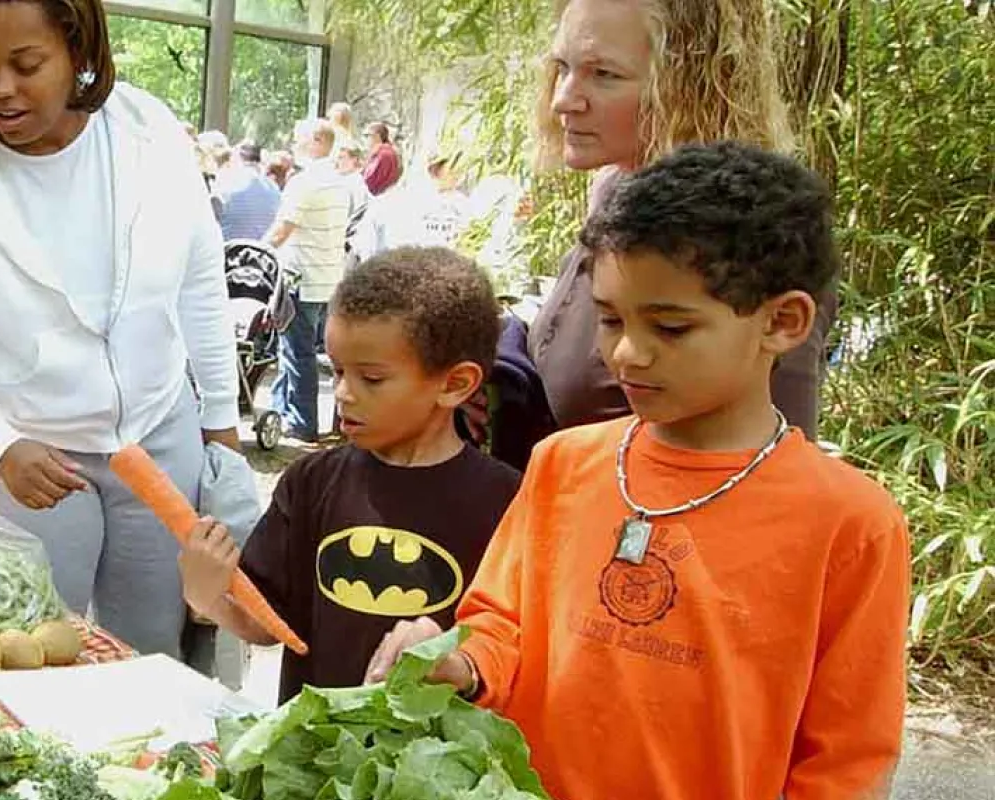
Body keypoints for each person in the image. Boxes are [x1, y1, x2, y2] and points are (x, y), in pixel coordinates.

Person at [367, 143, 908, 800]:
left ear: (783, 321)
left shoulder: (849, 522)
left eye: (672, 328)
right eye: (609, 318)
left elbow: (847, 763)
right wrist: (460, 662)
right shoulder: (564, 464)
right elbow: (500, 624)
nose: (627, 352)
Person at [0, 0, 238, 659]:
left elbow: (199, 280)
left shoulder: (147, 132)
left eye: (26, 65)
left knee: (153, 654)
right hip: (30, 457)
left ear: (79, 52)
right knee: (24, 653)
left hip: (159, 441)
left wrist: (221, 436)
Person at [181, 247, 518, 702]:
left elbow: (512, 649)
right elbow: (268, 626)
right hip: (316, 752)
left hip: (440, 760)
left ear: (455, 384)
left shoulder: (506, 501)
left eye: (371, 379)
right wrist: (210, 597)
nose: (342, 393)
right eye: (337, 371)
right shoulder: (312, 482)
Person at [521, 0, 820, 445]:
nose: (564, 99)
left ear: (689, 85)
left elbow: (770, 467)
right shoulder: (613, 190)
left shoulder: (755, 235)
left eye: (604, 74)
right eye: (562, 67)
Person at [266, 118, 353, 443]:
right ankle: (282, 408)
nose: (293, 142)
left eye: (298, 138)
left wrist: (256, 249)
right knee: (295, 350)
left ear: (316, 141)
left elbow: (281, 231)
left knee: (296, 353)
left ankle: (302, 422)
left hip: (301, 277)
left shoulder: (305, 183)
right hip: (327, 277)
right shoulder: (339, 183)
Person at [215, 141, 280, 241]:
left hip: (227, 250)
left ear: (236, 158)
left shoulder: (225, 182)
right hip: (260, 252)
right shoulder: (274, 189)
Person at [360, 121, 401, 196]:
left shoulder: (383, 154)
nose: (365, 139)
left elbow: (371, 180)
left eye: (367, 135)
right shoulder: (383, 151)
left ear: (377, 136)